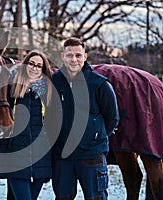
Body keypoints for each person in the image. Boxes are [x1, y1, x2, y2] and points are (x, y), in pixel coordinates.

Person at [51, 37, 119, 199]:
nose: (74, 59)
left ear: (85, 56)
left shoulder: (100, 84)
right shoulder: (54, 83)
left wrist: (94, 136)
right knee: (63, 197)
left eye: (78, 55)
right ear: (62, 57)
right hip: (63, 156)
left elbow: (112, 118)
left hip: (92, 155)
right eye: (69, 55)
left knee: (96, 197)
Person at [0, 50, 53, 200]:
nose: (34, 68)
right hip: (16, 154)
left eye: (39, 66)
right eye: (31, 63)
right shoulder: (11, 88)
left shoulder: (48, 92)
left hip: (41, 157)